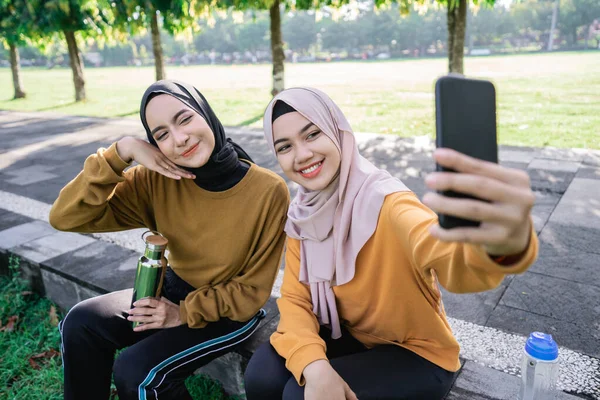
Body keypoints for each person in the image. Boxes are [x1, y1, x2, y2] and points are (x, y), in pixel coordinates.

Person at [244, 87, 538, 399]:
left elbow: (444, 253)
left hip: (417, 354)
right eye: (285, 146)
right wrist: (314, 365)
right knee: (263, 374)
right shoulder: (304, 213)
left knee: (298, 395)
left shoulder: (388, 202)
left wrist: (501, 243)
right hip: (350, 335)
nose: (302, 154)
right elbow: (295, 300)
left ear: (337, 131)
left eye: (313, 134)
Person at [49, 80, 289, 400]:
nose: (179, 139)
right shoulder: (155, 179)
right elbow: (65, 216)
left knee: (137, 373)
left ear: (205, 113)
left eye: (185, 119)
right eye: (161, 134)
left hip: (228, 313)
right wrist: (122, 151)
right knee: (80, 323)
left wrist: (181, 314)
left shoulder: (268, 191)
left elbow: (252, 293)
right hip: (170, 291)